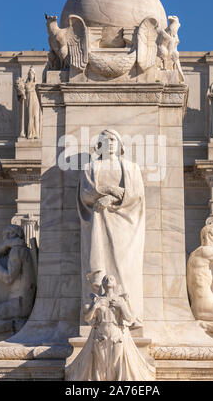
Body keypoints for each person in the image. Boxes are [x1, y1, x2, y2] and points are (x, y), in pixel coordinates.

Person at [77, 129, 145, 328]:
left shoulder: (131, 168)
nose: (111, 142)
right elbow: (86, 194)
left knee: (125, 268)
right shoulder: (90, 167)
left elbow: (136, 195)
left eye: (114, 139)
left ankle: (129, 313)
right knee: (101, 265)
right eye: (106, 139)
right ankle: (98, 313)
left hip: (125, 227)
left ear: (121, 144)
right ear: (99, 145)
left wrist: (114, 198)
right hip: (98, 224)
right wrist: (108, 192)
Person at [65, 275, 154, 381]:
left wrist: (122, 306)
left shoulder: (120, 300)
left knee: (116, 362)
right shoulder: (97, 299)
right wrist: (94, 307)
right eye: (105, 279)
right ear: (102, 283)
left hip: (116, 333)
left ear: (115, 283)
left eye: (111, 278)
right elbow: (87, 318)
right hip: (100, 334)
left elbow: (129, 318)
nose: (108, 280)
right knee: (101, 362)